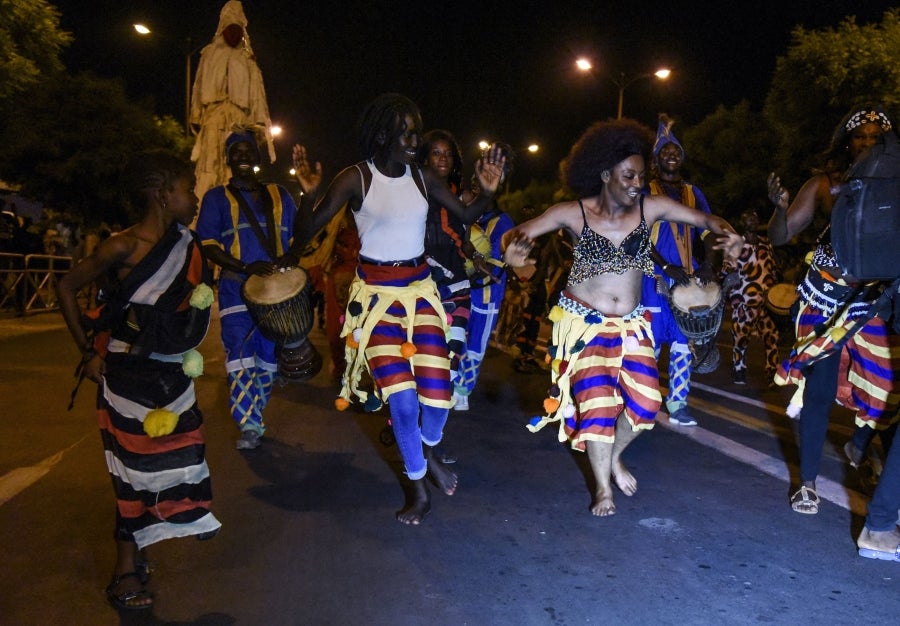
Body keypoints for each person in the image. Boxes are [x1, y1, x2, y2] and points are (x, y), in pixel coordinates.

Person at [502, 118, 741, 517]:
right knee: (596, 406)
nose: (637, 183)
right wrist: (513, 250)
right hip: (586, 325)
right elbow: (520, 233)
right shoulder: (573, 213)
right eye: (629, 175)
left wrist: (727, 231)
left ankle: (613, 457)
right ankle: (602, 489)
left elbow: (703, 219)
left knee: (647, 404)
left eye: (641, 176)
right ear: (604, 173)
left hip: (632, 326)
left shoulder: (650, 208)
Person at [292, 93, 505, 525]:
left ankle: (425, 451)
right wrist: (308, 194)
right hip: (375, 303)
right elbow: (308, 229)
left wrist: (486, 192)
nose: (414, 139)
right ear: (382, 134)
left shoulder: (424, 179)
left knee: (439, 398)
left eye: (416, 131)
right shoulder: (355, 179)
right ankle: (418, 489)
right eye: (406, 131)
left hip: (421, 294)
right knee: (404, 405)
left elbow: (464, 213)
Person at [56, 150, 221, 611]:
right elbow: (66, 287)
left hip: (173, 377)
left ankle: (152, 539)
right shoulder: (121, 246)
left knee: (179, 464)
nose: (193, 197)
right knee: (131, 476)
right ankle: (124, 569)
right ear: (162, 194)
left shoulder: (187, 245)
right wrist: (87, 351)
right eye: (187, 189)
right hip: (126, 377)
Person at [767, 104, 900, 514]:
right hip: (825, 297)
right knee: (820, 390)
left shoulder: (896, 183)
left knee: (886, 392)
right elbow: (782, 235)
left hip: (872, 299)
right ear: (848, 141)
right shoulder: (826, 185)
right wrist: (778, 206)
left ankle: (859, 443)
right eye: (861, 135)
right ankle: (806, 484)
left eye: (877, 136)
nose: (868, 141)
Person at [196, 129, 304, 450]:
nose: (243, 157)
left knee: (269, 357)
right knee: (241, 354)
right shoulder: (216, 198)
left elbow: (299, 234)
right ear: (228, 159)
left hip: (276, 292)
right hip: (235, 288)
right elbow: (208, 244)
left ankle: (256, 411)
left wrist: (292, 255)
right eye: (236, 152)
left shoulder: (280, 194)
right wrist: (244, 267)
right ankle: (249, 423)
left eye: (248, 152)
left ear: (258, 158)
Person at [641, 114, 724, 427]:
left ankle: (677, 404)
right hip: (651, 279)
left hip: (686, 282)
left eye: (676, 151)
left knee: (682, 343)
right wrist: (664, 265)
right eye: (666, 151)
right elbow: (635, 234)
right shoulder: (645, 190)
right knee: (648, 344)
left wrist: (707, 263)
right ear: (656, 159)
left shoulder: (693, 192)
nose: (672, 155)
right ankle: (643, 402)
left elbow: (709, 231)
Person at [190, 0, 275, 202]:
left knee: (235, 167)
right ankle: (205, 206)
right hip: (213, 119)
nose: (233, 35)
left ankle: (237, 206)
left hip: (239, 123)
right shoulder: (209, 55)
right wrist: (196, 116)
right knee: (210, 166)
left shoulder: (247, 61)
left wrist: (259, 127)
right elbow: (198, 87)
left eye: (237, 30)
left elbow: (257, 97)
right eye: (230, 29)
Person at [417, 129, 471, 410]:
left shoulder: (461, 195)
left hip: (458, 285)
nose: (443, 159)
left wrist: (477, 257)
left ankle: (431, 432)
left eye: (448, 154)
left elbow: (465, 234)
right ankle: (411, 429)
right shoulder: (411, 193)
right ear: (424, 157)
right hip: (419, 286)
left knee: (451, 357)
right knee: (418, 357)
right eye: (436, 153)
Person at [458, 148, 517, 402]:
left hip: (485, 297)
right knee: (453, 339)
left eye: (492, 173)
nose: (479, 179)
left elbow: (494, 265)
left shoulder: (503, 222)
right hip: (458, 292)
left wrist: (472, 269)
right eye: (479, 172)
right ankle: (445, 383)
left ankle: (462, 391)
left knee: (475, 347)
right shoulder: (463, 212)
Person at [720, 209, 781, 385]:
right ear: (742, 223)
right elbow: (725, 271)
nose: (752, 222)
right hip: (743, 301)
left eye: (754, 219)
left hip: (767, 301)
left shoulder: (766, 243)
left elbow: (773, 267)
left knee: (771, 336)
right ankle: (739, 369)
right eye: (748, 219)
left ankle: (772, 372)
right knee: (741, 337)